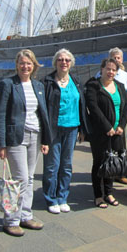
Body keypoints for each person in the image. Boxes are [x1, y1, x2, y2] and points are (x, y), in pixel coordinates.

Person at [0, 49, 51, 237]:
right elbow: (0, 115)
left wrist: (46, 140)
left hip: (36, 135)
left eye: (29, 63)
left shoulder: (38, 85)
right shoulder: (8, 84)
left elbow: (43, 114)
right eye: (22, 63)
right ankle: (11, 220)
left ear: (34, 65)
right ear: (17, 65)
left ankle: (26, 215)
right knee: (20, 179)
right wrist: (1, 144)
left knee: (31, 178)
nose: (25, 66)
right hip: (16, 137)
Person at [41, 48, 89, 214]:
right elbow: (43, 108)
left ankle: (62, 197)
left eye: (67, 60)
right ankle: (51, 198)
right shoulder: (47, 81)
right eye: (60, 59)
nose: (64, 62)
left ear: (71, 63)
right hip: (53, 129)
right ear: (55, 62)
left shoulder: (76, 81)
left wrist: (82, 129)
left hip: (72, 128)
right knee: (52, 166)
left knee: (67, 165)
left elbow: (81, 106)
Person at [85, 58, 127, 208]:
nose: (111, 72)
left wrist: (121, 126)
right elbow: (93, 108)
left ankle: (109, 193)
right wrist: (106, 127)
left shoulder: (121, 86)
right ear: (102, 69)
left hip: (117, 132)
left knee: (113, 161)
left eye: (113, 70)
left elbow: (126, 107)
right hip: (100, 132)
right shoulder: (93, 86)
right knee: (99, 162)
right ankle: (98, 195)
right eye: (108, 69)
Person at [96, 47, 127, 184]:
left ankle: (119, 172)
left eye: (119, 58)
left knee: (120, 149)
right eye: (114, 57)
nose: (116, 60)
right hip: (105, 123)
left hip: (119, 121)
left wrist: (123, 123)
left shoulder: (126, 76)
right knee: (104, 153)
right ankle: (104, 178)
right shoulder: (98, 76)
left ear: (121, 60)